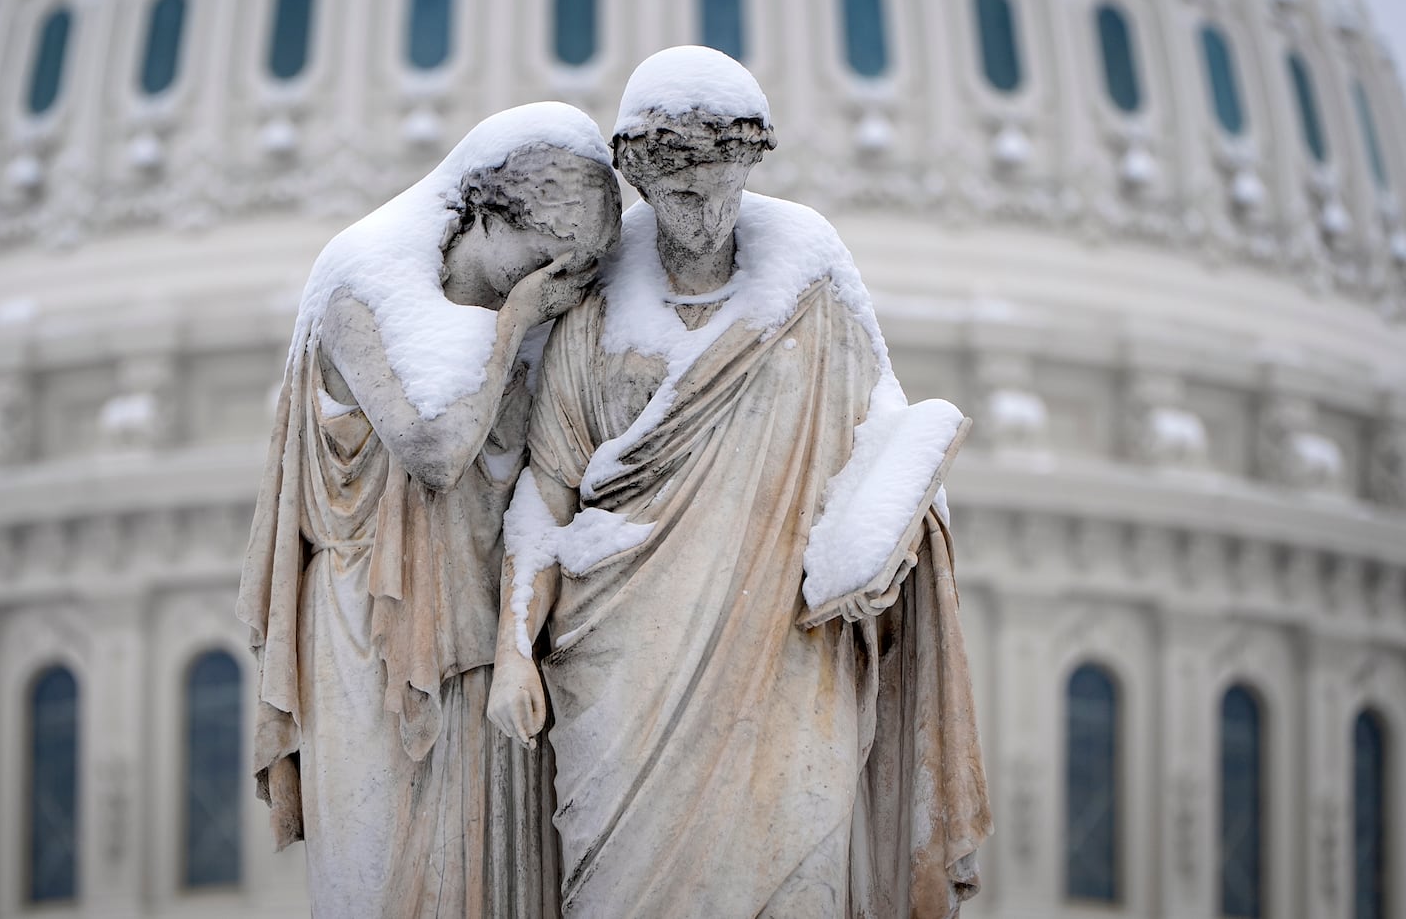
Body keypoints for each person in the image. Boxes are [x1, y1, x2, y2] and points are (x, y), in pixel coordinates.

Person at [487, 48, 993, 917]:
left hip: (787, 666)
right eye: (682, 191)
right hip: (623, 674)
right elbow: (548, 493)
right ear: (641, 183)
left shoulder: (813, 292)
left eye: (725, 182)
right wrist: (511, 648)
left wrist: (892, 540)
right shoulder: (598, 316)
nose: (708, 209)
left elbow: (882, 447)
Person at [237, 101, 621, 918]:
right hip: (375, 635)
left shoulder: (540, 311)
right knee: (387, 883)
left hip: (486, 645)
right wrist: (516, 321)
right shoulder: (361, 288)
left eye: (570, 271)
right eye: (541, 261)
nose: (552, 285)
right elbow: (437, 452)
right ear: (484, 213)